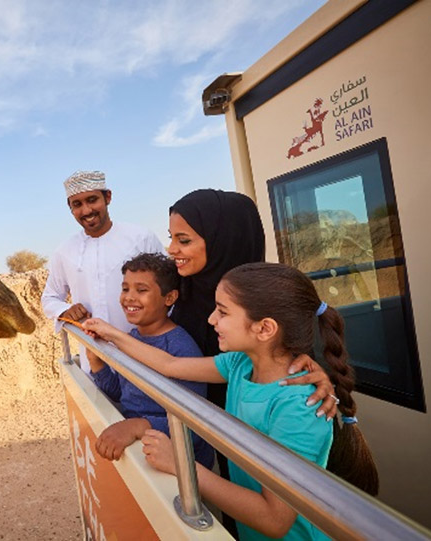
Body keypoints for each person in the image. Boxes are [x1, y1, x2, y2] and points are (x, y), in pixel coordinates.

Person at [83, 262, 379, 540]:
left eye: (223, 312)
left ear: (264, 328)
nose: (211, 319)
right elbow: (169, 365)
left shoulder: (299, 406)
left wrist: (180, 463)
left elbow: (275, 520)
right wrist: (109, 334)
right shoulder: (240, 365)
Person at [167, 189, 338, 416]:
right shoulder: (175, 285)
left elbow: (300, 365)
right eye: (171, 237)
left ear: (225, 239)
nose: (171, 250)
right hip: (191, 423)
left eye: (184, 240)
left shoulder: (269, 298)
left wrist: (319, 376)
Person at [88, 253, 214, 469]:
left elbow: (193, 426)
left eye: (142, 290)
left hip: (182, 468)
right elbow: (124, 393)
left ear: (169, 298)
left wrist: (138, 427)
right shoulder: (132, 338)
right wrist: (97, 364)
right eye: (125, 288)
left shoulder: (180, 348)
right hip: (140, 450)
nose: (129, 297)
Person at [41, 170, 164, 372]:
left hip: (145, 356)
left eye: (92, 200)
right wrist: (65, 311)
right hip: (95, 361)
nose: (86, 210)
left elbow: (169, 287)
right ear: (70, 208)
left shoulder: (140, 238)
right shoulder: (64, 251)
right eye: (77, 204)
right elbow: (49, 298)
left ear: (107, 197)